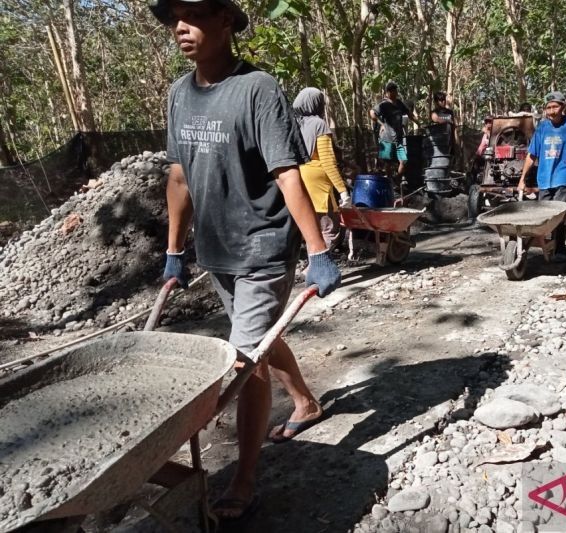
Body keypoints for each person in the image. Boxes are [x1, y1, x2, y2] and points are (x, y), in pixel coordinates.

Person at [150, 0, 341, 525]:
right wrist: (173, 250)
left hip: (262, 245)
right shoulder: (178, 95)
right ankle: (305, 401)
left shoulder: (257, 89)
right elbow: (180, 178)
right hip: (217, 249)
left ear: (226, 21)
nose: (180, 28)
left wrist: (318, 253)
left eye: (193, 16)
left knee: (243, 360)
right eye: (173, 19)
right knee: (257, 339)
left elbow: (287, 174)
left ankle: (244, 478)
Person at [517, 91, 566, 261]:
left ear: (563, 107)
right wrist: (522, 179)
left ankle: (560, 248)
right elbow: (532, 155)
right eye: (548, 108)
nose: (552, 111)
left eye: (555, 107)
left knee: (560, 214)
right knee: (545, 217)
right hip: (545, 179)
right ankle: (548, 246)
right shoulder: (543, 127)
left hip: (565, 176)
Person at [293, 87, 350, 251]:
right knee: (328, 228)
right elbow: (327, 161)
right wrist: (342, 190)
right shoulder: (319, 124)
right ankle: (320, 267)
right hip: (319, 184)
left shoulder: (295, 125)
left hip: (300, 178)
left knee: (310, 228)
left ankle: (311, 265)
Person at [370, 81, 416, 186]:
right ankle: (390, 183)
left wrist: (418, 122)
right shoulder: (383, 105)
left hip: (398, 139)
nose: (394, 93)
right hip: (386, 138)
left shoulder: (399, 103)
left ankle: (397, 180)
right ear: (387, 93)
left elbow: (409, 113)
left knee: (403, 161)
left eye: (395, 90)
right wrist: (380, 123)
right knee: (388, 163)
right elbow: (372, 113)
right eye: (391, 91)